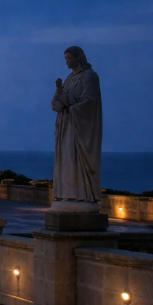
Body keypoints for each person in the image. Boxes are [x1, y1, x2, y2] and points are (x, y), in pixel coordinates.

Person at [51, 45, 102, 208]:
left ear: (78, 58)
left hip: (79, 126)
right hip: (66, 125)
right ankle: (67, 194)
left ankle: (81, 195)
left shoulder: (89, 76)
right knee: (66, 160)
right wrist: (60, 92)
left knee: (76, 159)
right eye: (65, 59)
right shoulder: (69, 79)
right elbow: (56, 104)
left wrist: (69, 101)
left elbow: (89, 102)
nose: (67, 62)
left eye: (70, 58)